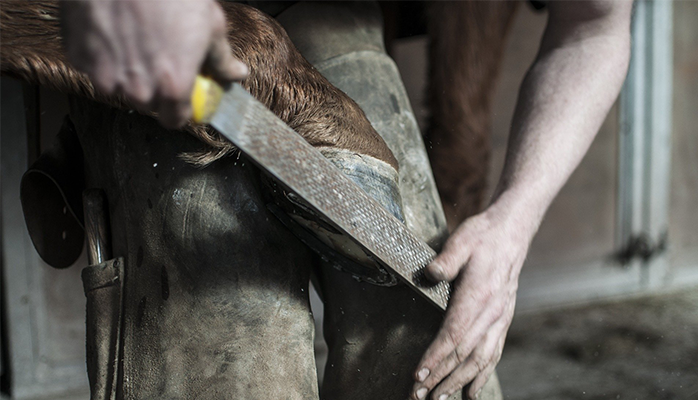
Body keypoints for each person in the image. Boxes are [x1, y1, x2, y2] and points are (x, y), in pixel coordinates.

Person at [59, 1, 633, 399]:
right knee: (227, 354)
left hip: (332, 15)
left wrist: (515, 219)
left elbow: (593, 28)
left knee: (432, 341)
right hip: (154, 35)